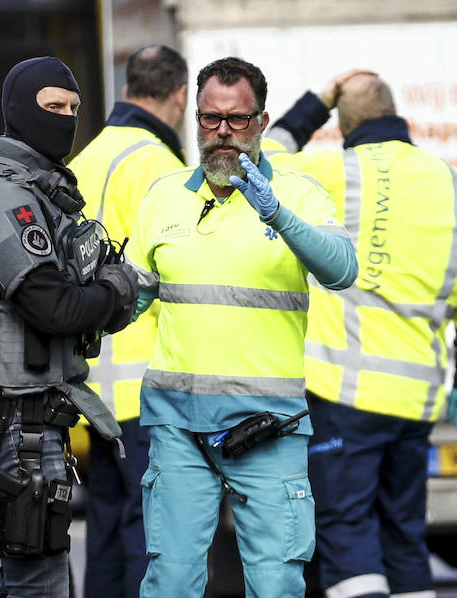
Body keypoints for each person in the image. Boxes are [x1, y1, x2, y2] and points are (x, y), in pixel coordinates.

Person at [126, 56, 359, 598]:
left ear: (260, 121)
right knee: (171, 582)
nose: (223, 133)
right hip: (178, 426)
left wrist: (276, 212)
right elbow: (130, 298)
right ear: (197, 122)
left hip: (267, 427)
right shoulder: (164, 196)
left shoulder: (298, 195)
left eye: (236, 119)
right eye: (210, 119)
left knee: (277, 585)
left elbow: (342, 270)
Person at [0, 56, 140, 598]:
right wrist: (119, 287)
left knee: (31, 577)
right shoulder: (7, 197)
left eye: (73, 108)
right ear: (20, 110)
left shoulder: (29, 189)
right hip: (10, 421)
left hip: (23, 416)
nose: (66, 119)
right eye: (53, 106)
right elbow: (53, 309)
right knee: (40, 582)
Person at [265, 70, 457, 598]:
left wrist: (315, 104)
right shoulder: (448, 182)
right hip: (416, 399)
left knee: (347, 532)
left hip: (344, 393)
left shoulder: (333, 171)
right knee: (405, 540)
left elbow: (262, 160)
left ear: (344, 122)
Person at [67, 44, 187, 598]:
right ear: (181, 97)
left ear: (127, 88)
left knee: (108, 526)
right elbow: (180, 274)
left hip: (93, 384)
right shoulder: (160, 165)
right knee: (154, 530)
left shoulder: (86, 156)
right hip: (147, 387)